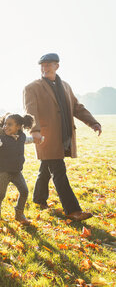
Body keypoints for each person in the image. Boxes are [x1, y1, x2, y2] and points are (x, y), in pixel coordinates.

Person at [23, 53, 102, 221]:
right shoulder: (32, 87)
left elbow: (77, 107)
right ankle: (73, 210)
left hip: (64, 134)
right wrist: (34, 130)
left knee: (46, 168)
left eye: (49, 65)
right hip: (46, 136)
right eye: (42, 65)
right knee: (58, 170)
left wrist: (93, 122)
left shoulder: (65, 86)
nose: (45, 68)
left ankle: (38, 199)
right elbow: (31, 111)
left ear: (57, 66)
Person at [0, 113, 36, 225]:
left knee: (24, 191)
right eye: (5, 124)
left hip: (16, 171)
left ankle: (19, 214)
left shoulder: (22, 136)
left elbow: (26, 140)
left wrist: (35, 139)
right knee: (1, 194)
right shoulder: (1, 138)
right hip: (3, 171)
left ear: (18, 127)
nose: (6, 127)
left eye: (10, 124)